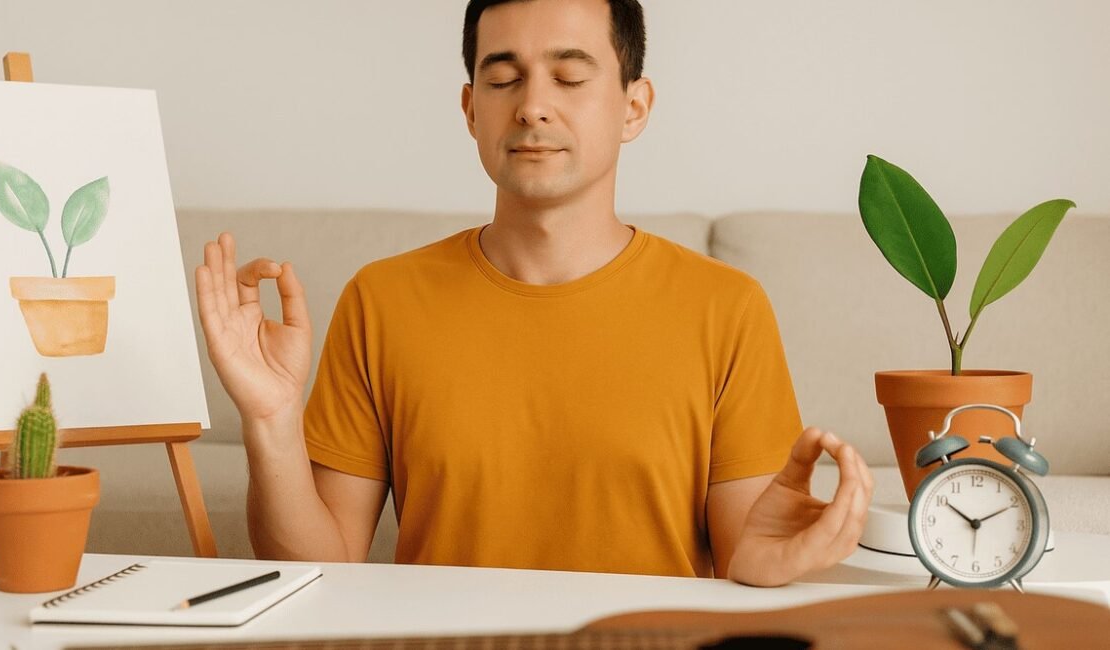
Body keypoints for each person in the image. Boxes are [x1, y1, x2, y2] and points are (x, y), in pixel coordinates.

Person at [195, 0, 873, 587]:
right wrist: (271, 423)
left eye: (570, 76)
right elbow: (320, 570)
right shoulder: (382, 299)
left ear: (633, 107)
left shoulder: (728, 309)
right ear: (470, 109)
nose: (532, 106)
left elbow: (743, 561)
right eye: (502, 77)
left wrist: (775, 563)